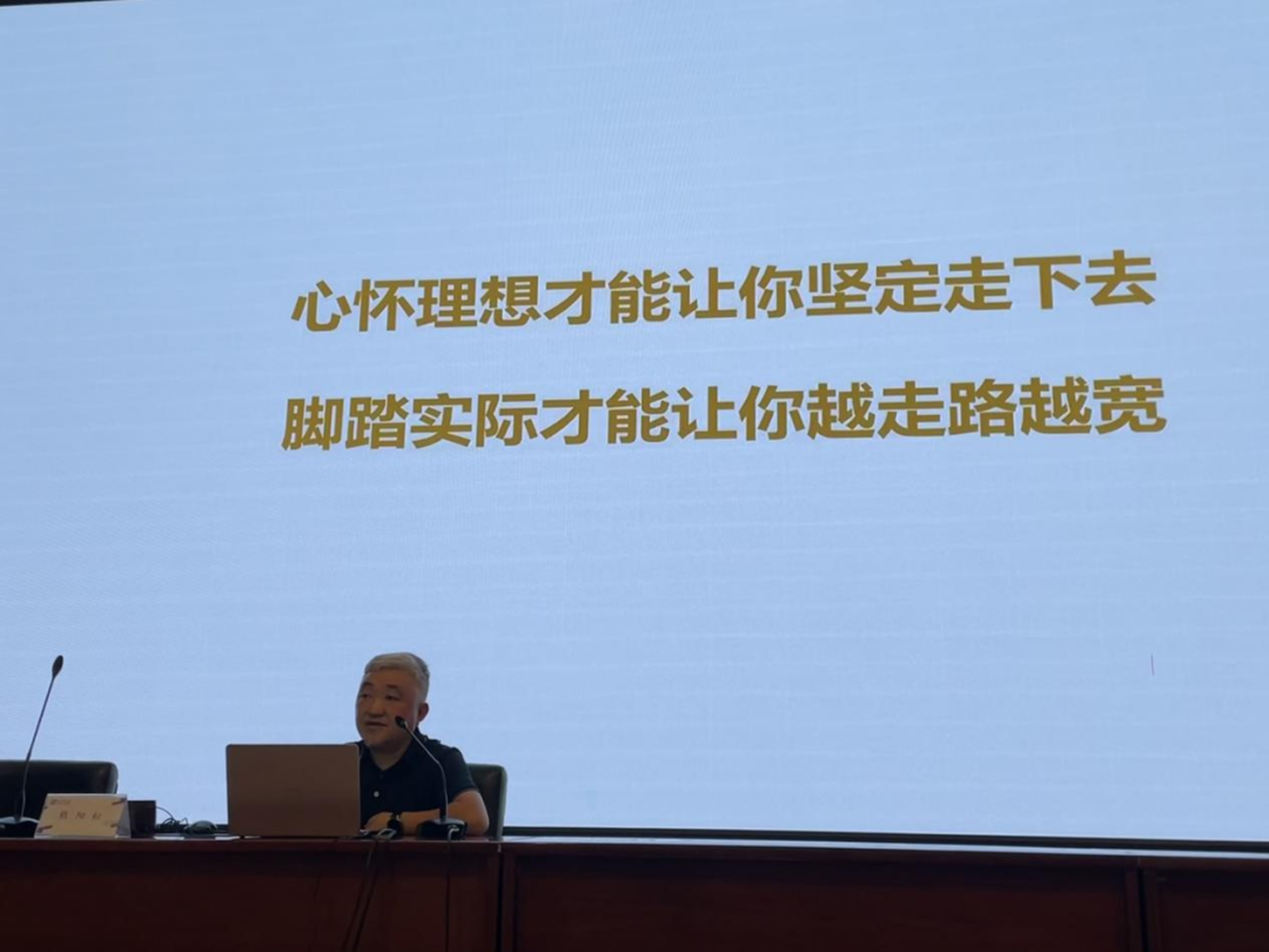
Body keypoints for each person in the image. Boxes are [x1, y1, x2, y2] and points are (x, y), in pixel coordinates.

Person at [355, 652, 489, 836]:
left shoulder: (439, 760)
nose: (374, 709)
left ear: (420, 713)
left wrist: (396, 822)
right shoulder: (340, 760)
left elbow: (475, 817)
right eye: (365, 695)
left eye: (391, 697)